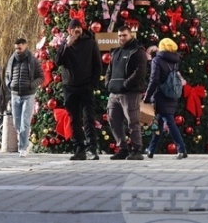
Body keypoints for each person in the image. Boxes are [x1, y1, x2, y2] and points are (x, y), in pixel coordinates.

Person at [55, 19, 102, 161]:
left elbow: (97, 65)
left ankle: (92, 149)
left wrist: (92, 84)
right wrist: (66, 46)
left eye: (79, 28)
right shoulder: (65, 45)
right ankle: (79, 149)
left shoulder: (90, 43)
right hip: (70, 87)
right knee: (74, 119)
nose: (77, 30)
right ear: (69, 31)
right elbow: (57, 61)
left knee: (88, 118)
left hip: (86, 86)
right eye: (74, 28)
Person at [105, 25, 148, 160]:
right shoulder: (116, 52)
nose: (122, 38)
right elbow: (109, 70)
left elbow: (140, 71)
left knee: (132, 121)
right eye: (120, 35)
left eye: (124, 35)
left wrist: (125, 84)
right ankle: (122, 148)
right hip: (114, 93)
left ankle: (136, 150)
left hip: (130, 93)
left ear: (131, 35)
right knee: (113, 119)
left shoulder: (137, 51)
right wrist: (108, 83)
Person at [144, 38, 187, 159]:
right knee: (159, 122)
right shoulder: (174, 60)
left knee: (169, 121)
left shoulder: (157, 60)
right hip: (172, 93)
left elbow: (154, 80)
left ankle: (181, 149)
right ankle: (151, 150)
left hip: (160, 95)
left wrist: (147, 96)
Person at [4, 37, 44, 157]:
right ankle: (22, 142)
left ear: (25, 46)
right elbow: (6, 74)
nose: (18, 50)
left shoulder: (33, 60)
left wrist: (32, 85)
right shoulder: (12, 60)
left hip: (28, 95)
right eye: (16, 48)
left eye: (20, 47)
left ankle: (23, 147)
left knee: (25, 122)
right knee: (17, 122)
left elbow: (41, 77)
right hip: (15, 95)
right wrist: (9, 84)